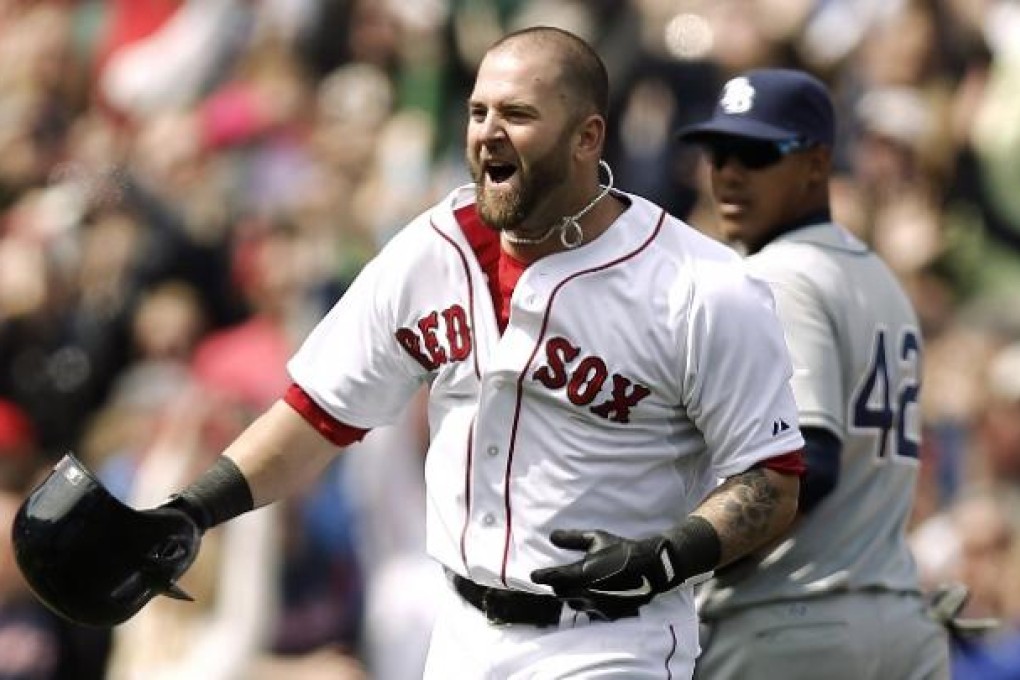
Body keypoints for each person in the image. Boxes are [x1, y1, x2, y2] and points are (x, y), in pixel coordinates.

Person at [17, 28, 805, 679]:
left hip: (610, 642)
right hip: (459, 634)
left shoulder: (701, 287)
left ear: (587, 137)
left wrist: (665, 555)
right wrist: (192, 511)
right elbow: (317, 414)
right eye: (478, 111)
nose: (488, 132)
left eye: (518, 114)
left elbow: (771, 480)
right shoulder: (432, 250)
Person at [675, 68, 950, 679]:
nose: (729, 173)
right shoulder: (878, 276)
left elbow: (806, 465)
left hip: (793, 623)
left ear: (817, 162)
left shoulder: (779, 274)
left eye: (756, 153)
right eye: (718, 153)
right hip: (900, 623)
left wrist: (669, 559)